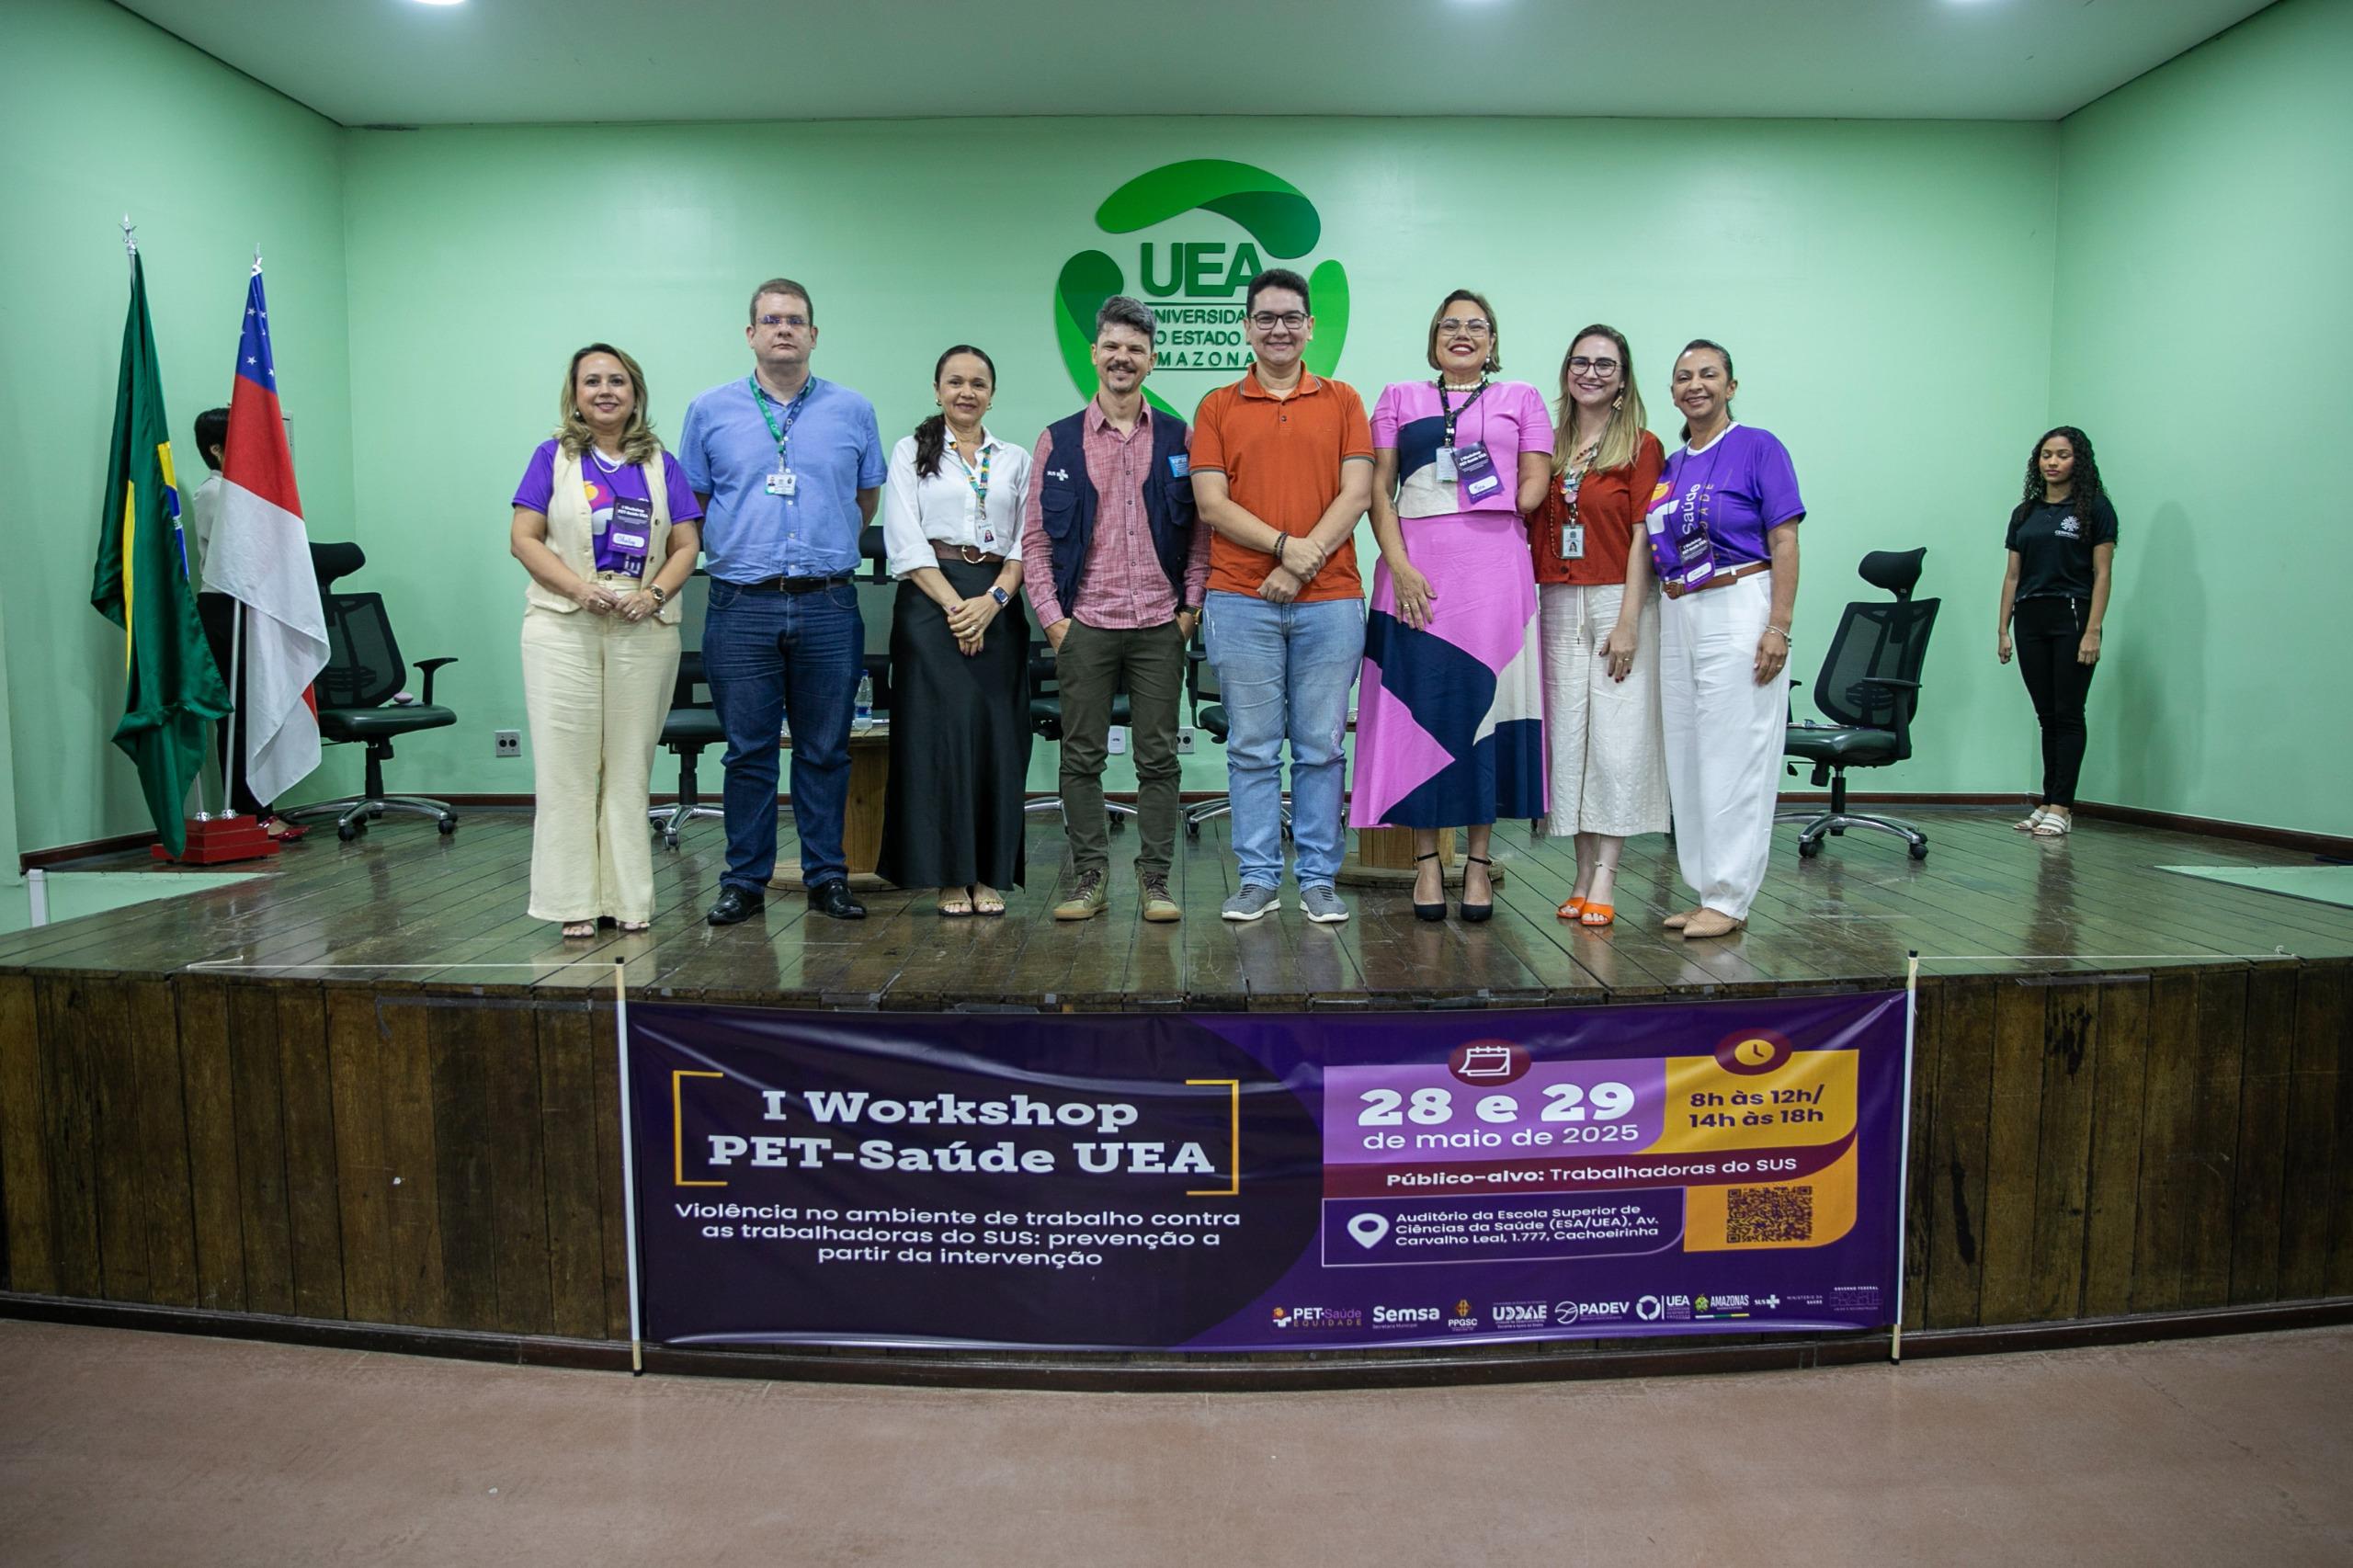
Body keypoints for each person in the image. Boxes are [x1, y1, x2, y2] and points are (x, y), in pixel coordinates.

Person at [678, 278, 885, 926]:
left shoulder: (853, 410)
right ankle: (744, 880)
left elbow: (865, 500)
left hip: (828, 603)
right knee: (749, 753)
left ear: (813, 335)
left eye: (795, 320)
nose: (783, 329)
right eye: (771, 320)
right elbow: (694, 505)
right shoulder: (709, 410)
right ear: (751, 335)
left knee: (825, 750)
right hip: (741, 604)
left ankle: (827, 877)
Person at [1350, 290, 1553, 923]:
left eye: (1476, 325)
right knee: (1422, 713)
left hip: (1495, 571)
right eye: (1450, 325)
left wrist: (1476, 494)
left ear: (1493, 340)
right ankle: (1427, 864)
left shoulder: (1522, 397)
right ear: (1433, 337)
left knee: (1486, 711)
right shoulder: (1397, 397)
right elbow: (1378, 490)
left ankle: (1479, 864)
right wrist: (1401, 566)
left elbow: (1533, 490)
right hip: (1414, 571)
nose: (1462, 333)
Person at [1189, 267, 1372, 925]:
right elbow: (1212, 504)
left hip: (1331, 601)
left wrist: (1299, 564)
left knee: (1322, 746)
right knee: (1252, 747)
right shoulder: (1217, 406)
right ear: (1246, 327)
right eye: (1265, 318)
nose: (1279, 329)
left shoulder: (1344, 401)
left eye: (1291, 317)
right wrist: (1286, 547)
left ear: (1310, 326)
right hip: (1241, 601)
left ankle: (1318, 879)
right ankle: (1259, 879)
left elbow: (1357, 493)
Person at [1019, 296, 1210, 925]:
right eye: (1112, 346)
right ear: (1094, 354)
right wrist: (1054, 619)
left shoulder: (1181, 438)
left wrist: (1189, 610)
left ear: (1151, 360)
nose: (1122, 358)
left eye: (1135, 349)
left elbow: (1201, 537)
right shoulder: (1058, 440)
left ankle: (1155, 881)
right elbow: (1036, 540)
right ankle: (1089, 879)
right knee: (1081, 759)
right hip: (1087, 625)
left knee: (1159, 759)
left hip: (1159, 624)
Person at [509, 343, 704, 937]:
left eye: (617, 381)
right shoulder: (552, 458)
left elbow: (687, 546)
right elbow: (524, 538)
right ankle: (571, 902)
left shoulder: (662, 464)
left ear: (635, 393)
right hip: (563, 623)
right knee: (566, 769)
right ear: (575, 394)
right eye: (591, 381)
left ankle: (627, 899)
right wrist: (578, 589)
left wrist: (654, 595)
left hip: (643, 625)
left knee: (628, 768)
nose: (605, 391)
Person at [1646, 339, 1802, 940]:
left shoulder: (1759, 447)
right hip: (1679, 608)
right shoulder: (1671, 465)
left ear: (1731, 386)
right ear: (1673, 392)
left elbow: (1784, 540)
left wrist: (1778, 626)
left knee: (1734, 755)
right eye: (1684, 376)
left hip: (1739, 603)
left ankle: (1732, 896)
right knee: (1689, 755)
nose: (1696, 385)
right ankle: (1706, 888)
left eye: (1708, 374)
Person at [876, 346, 1033, 915]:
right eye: (955, 382)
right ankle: (948, 874)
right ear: (938, 389)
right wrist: (956, 609)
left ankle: (988, 874)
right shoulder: (910, 452)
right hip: (930, 602)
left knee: (996, 737)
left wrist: (991, 602)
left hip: (998, 600)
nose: (967, 392)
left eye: (978, 383)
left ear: (992, 394)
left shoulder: (1015, 458)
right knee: (938, 738)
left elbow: (1027, 541)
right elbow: (904, 538)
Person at [1530, 326, 1668, 928]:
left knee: (1616, 739)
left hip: (1618, 598)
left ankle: (1607, 876)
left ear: (1623, 378)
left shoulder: (1641, 445)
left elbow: (1643, 535)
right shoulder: (1546, 442)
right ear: (1567, 370)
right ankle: (1581, 874)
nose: (1591, 372)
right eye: (1581, 362)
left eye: (1605, 365)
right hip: (1558, 598)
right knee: (1569, 741)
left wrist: (1630, 620)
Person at [1996, 426, 2116, 837]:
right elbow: (2013, 576)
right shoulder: (2024, 513)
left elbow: (2103, 574)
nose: (2052, 462)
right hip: (2030, 617)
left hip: (2073, 615)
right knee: (2046, 715)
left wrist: (2093, 630)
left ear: (2078, 461)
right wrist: (2003, 628)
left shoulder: (2095, 508)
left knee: (2068, 713)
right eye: (2046, 454)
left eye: (2062, 455)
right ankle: (2047, 801)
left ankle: (2063, 807)